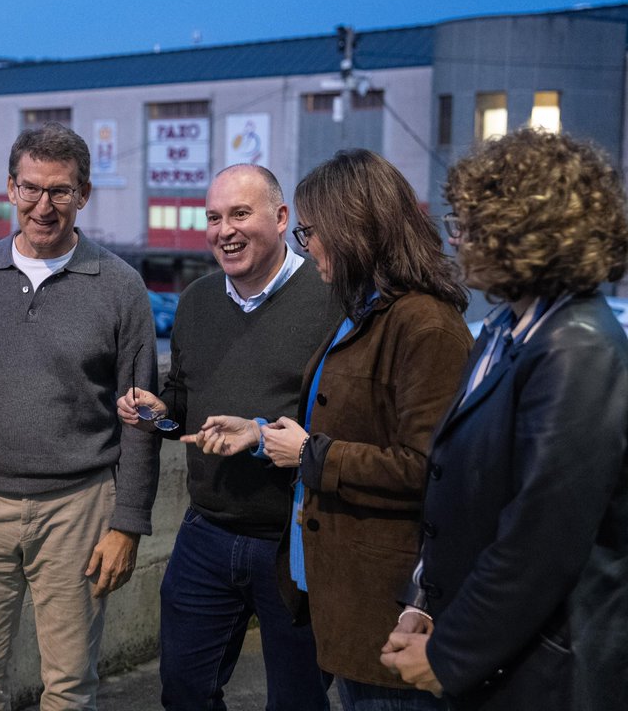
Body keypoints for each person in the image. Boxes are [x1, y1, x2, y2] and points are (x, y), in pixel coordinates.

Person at [192, 150, 471, 710]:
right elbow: (343, 419)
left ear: (354, 229)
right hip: (340, 592)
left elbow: (428, 468)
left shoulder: (424, 324)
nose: (305, 244)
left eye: (311, 231)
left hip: (386, 602)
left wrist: (312, 454)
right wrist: (261, 431)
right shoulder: (365, 310)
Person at [381, 129, 628, 710]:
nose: (456, 239)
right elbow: (468, 496)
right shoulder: (503, 328)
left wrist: (450, 652)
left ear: (524, 231)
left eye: (468, 223)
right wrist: (425, 602)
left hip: (550, 672)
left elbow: (541, 535)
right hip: (503, 652)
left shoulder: (578, 348)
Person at [0, 122, 160, 711]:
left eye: (60, 191)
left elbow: (142, 417)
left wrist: (128, 523)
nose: (44, 205)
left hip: (79, 508)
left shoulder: (120, 287)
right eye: (31, 188)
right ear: (10, 189)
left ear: (83, 195)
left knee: (69, 686)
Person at [116, 164, 338, 710]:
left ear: (282, 219)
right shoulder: (197, 300)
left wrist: (262, 437)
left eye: (240, 214)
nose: (224, 231)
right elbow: (185, 407)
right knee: (185, 691)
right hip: (207, 533)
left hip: (295, 537)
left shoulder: (331, 300)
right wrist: (158, 412)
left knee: (297, 700)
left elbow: (344, 427)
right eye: (213, 218)